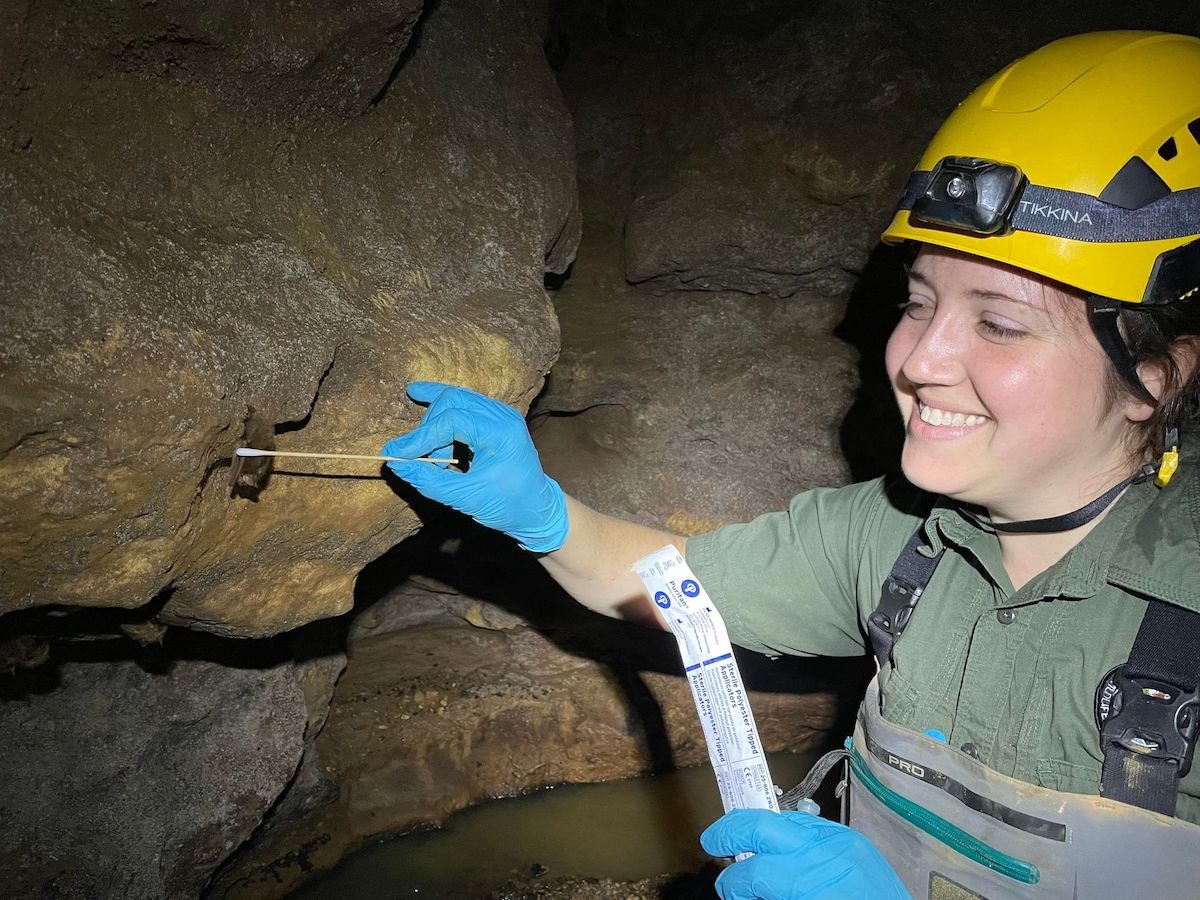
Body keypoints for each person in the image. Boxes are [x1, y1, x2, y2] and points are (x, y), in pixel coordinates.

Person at [381, 31, 1200, 899]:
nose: (920, 360)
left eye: (999, 324)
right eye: (919, 304)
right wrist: (540, 511)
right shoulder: (893, 538)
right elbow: (670, 585)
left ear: (1158, 373)